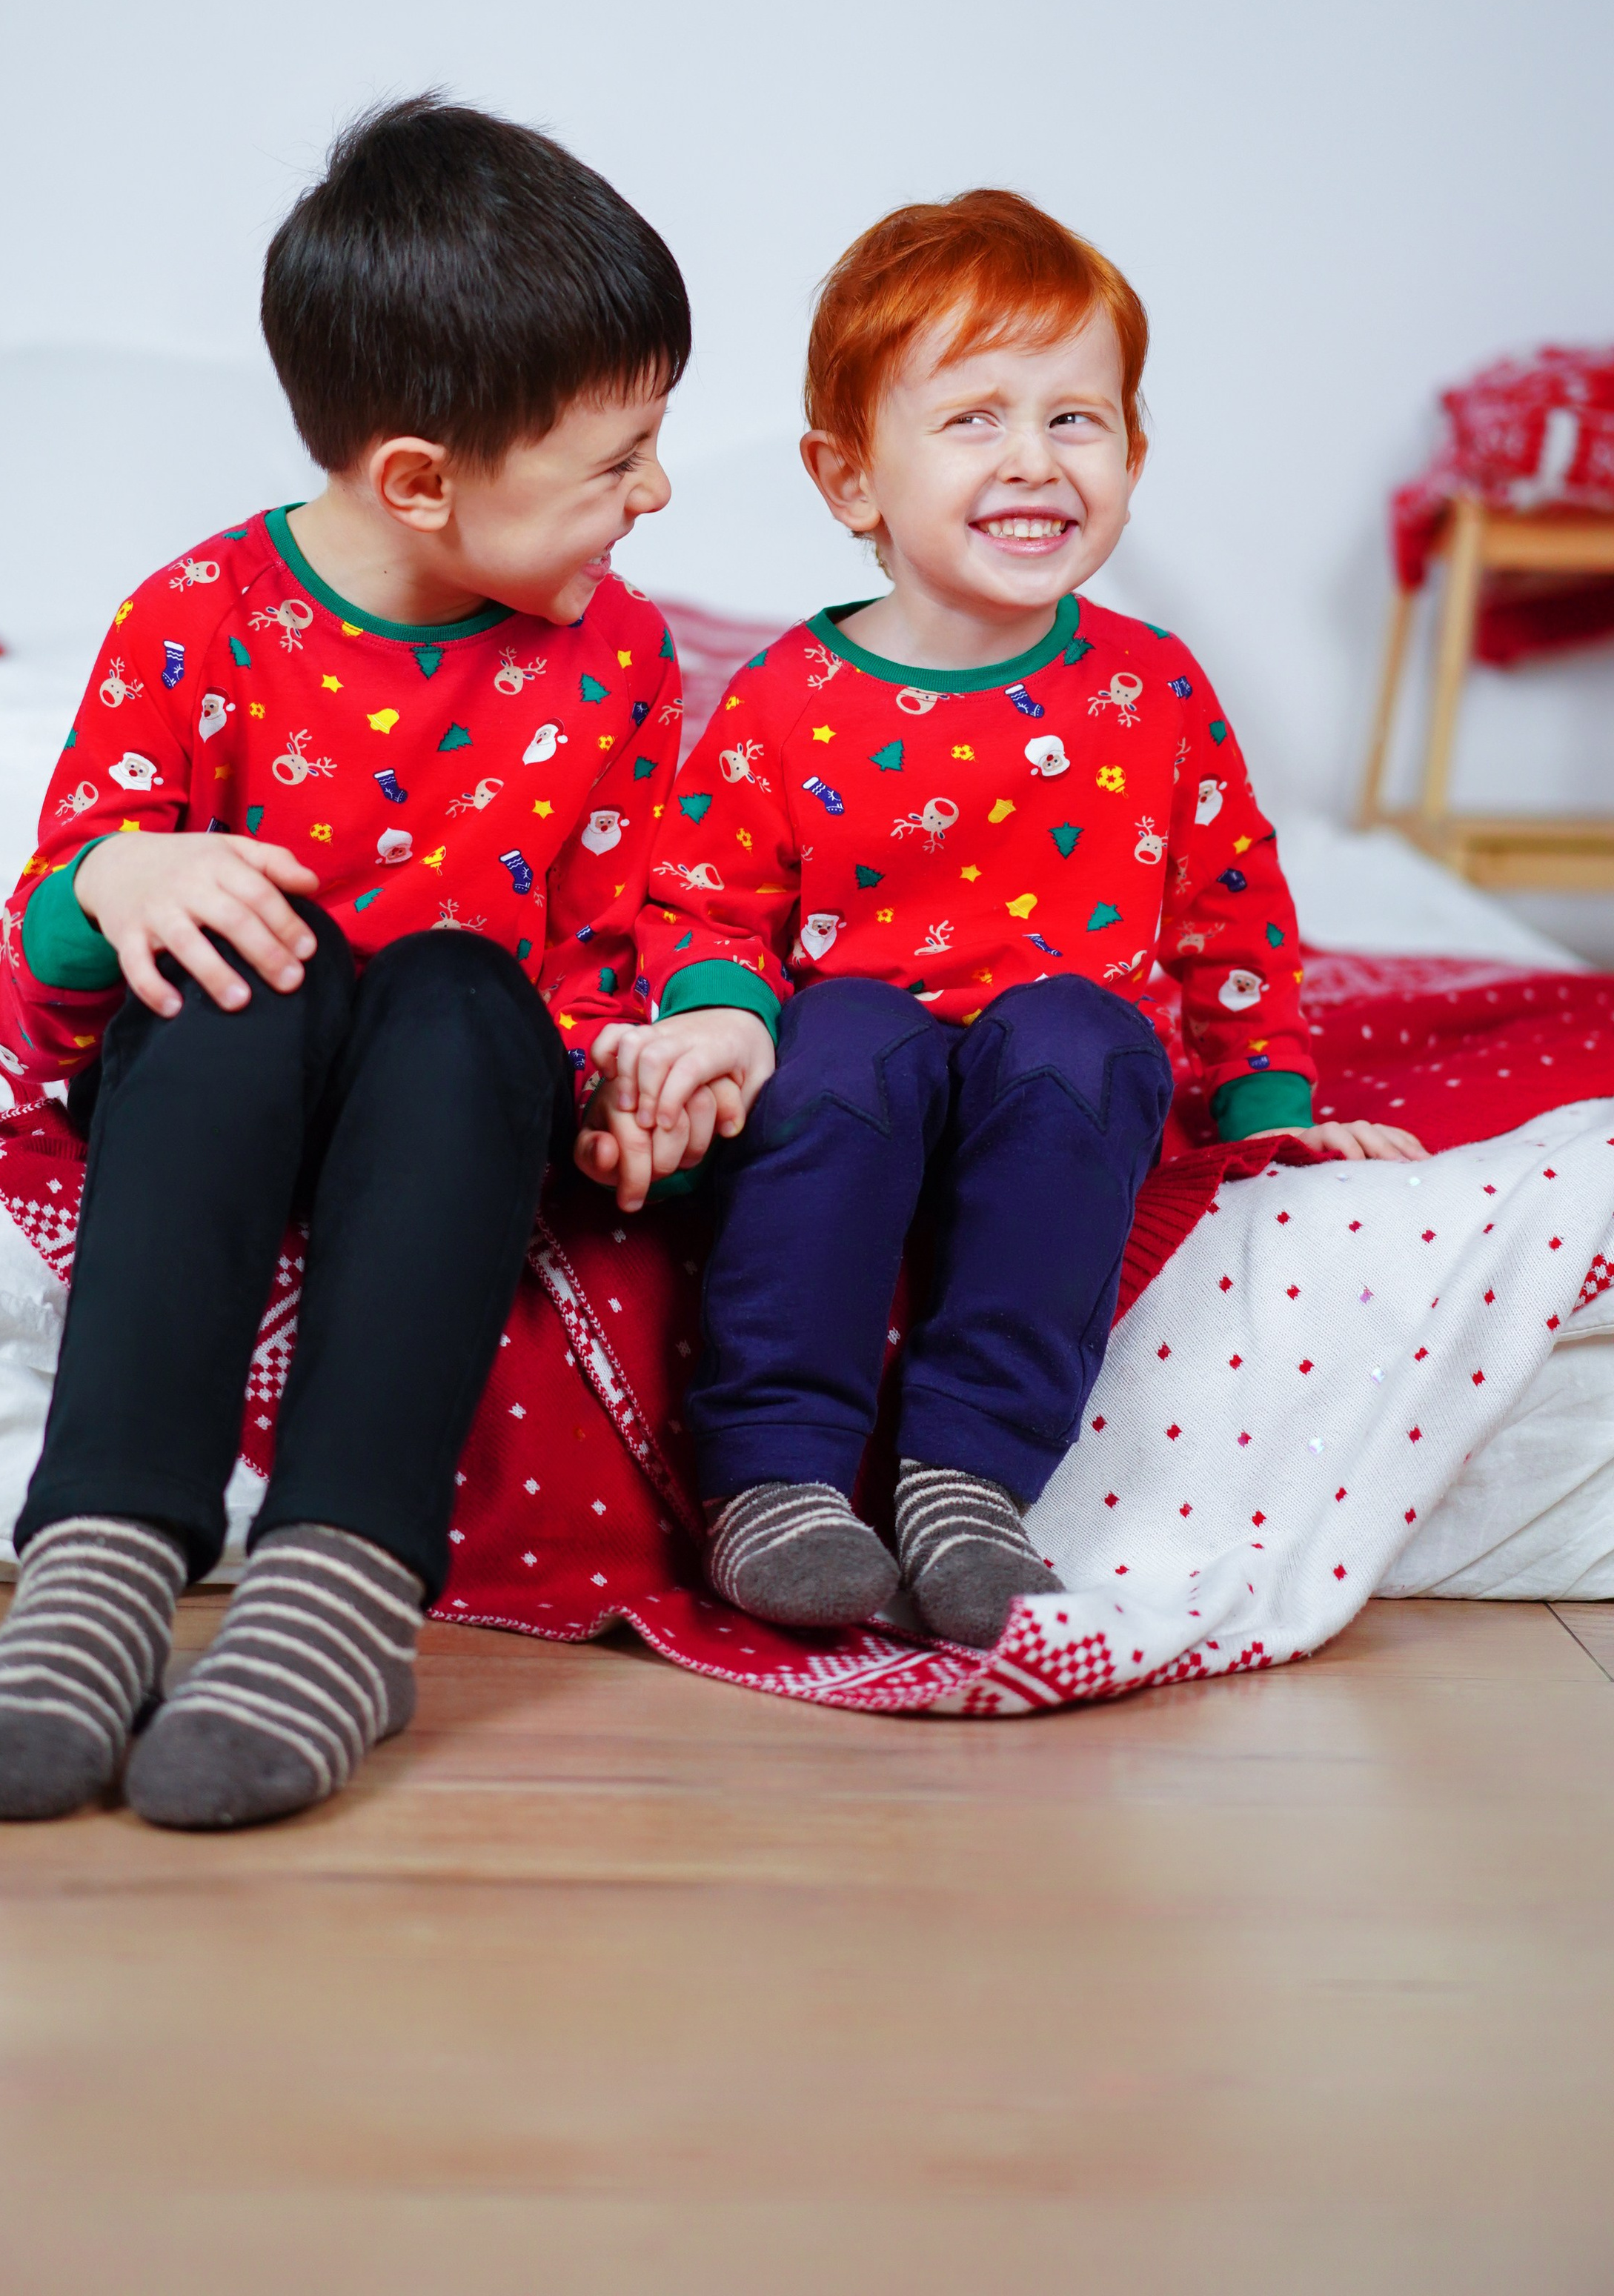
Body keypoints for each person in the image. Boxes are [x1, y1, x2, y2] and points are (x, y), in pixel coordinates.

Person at [0, 96, 701, 1831]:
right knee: (229, 963)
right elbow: (21, 1004)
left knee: (456, 987)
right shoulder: (193, 624)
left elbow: (615, 954)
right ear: (420, 480)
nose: (657, 492)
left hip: (454, 1084)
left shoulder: (621, 663)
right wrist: (111, 883)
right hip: (223, 1081)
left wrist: (633, 1076)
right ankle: (103, 1570)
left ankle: (339, 1588)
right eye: (613, 460)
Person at [578, 189, 1424, 1650]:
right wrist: (716, 1020)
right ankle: (773, 1477)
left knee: (1089, 1037)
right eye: (971, 418)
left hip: (1048, 1078)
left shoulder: (1152, 688)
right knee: (840, 1036)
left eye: (1073, 419)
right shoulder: (787, 696)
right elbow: (704, 900)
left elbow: (1231, 910)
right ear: (849, 481)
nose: (1031, 460)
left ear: (1131, 455)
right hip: (860, 1071)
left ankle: (966, 1480)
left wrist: (1267, 1106)